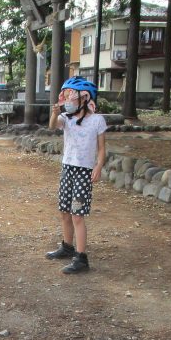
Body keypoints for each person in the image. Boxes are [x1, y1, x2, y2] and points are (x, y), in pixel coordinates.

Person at [45, 76, 107, 274]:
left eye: (72, 96)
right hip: (67, 168)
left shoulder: (97, 120)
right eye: (66, 96)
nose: (68, 100)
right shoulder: (67, 119)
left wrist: (98, 166)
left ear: (85, 98)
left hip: (83, 171)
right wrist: (55, 113)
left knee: (77, 215)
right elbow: (52, 126)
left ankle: (81, 258)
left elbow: (102, 148)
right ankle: (67, 246)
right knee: (64, 211)